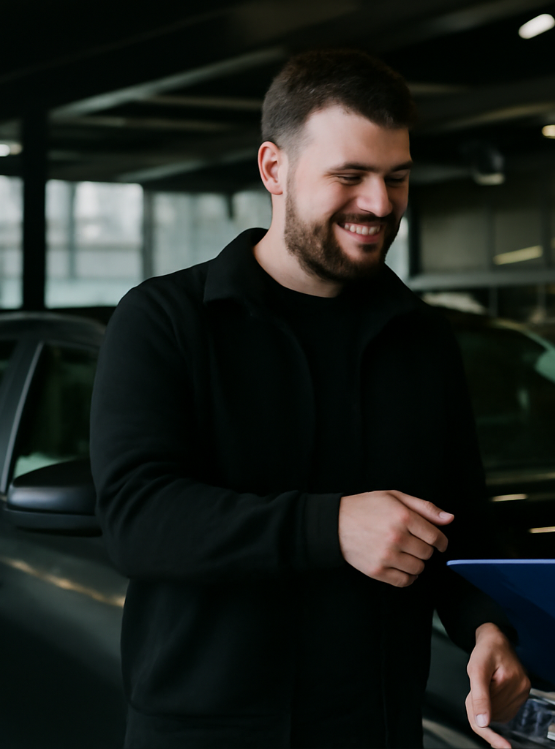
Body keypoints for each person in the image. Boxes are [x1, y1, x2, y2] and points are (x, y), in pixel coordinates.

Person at [90, 49, 529, 749]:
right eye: (350, 177)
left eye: (397, 177)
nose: (380, 205)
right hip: (208, 735)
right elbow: (138, 518)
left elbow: (461, 524)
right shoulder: (165, 319)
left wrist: (488, 626)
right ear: (275, 169)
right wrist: (329, 528)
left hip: (376, 730)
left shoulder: (423, 340)